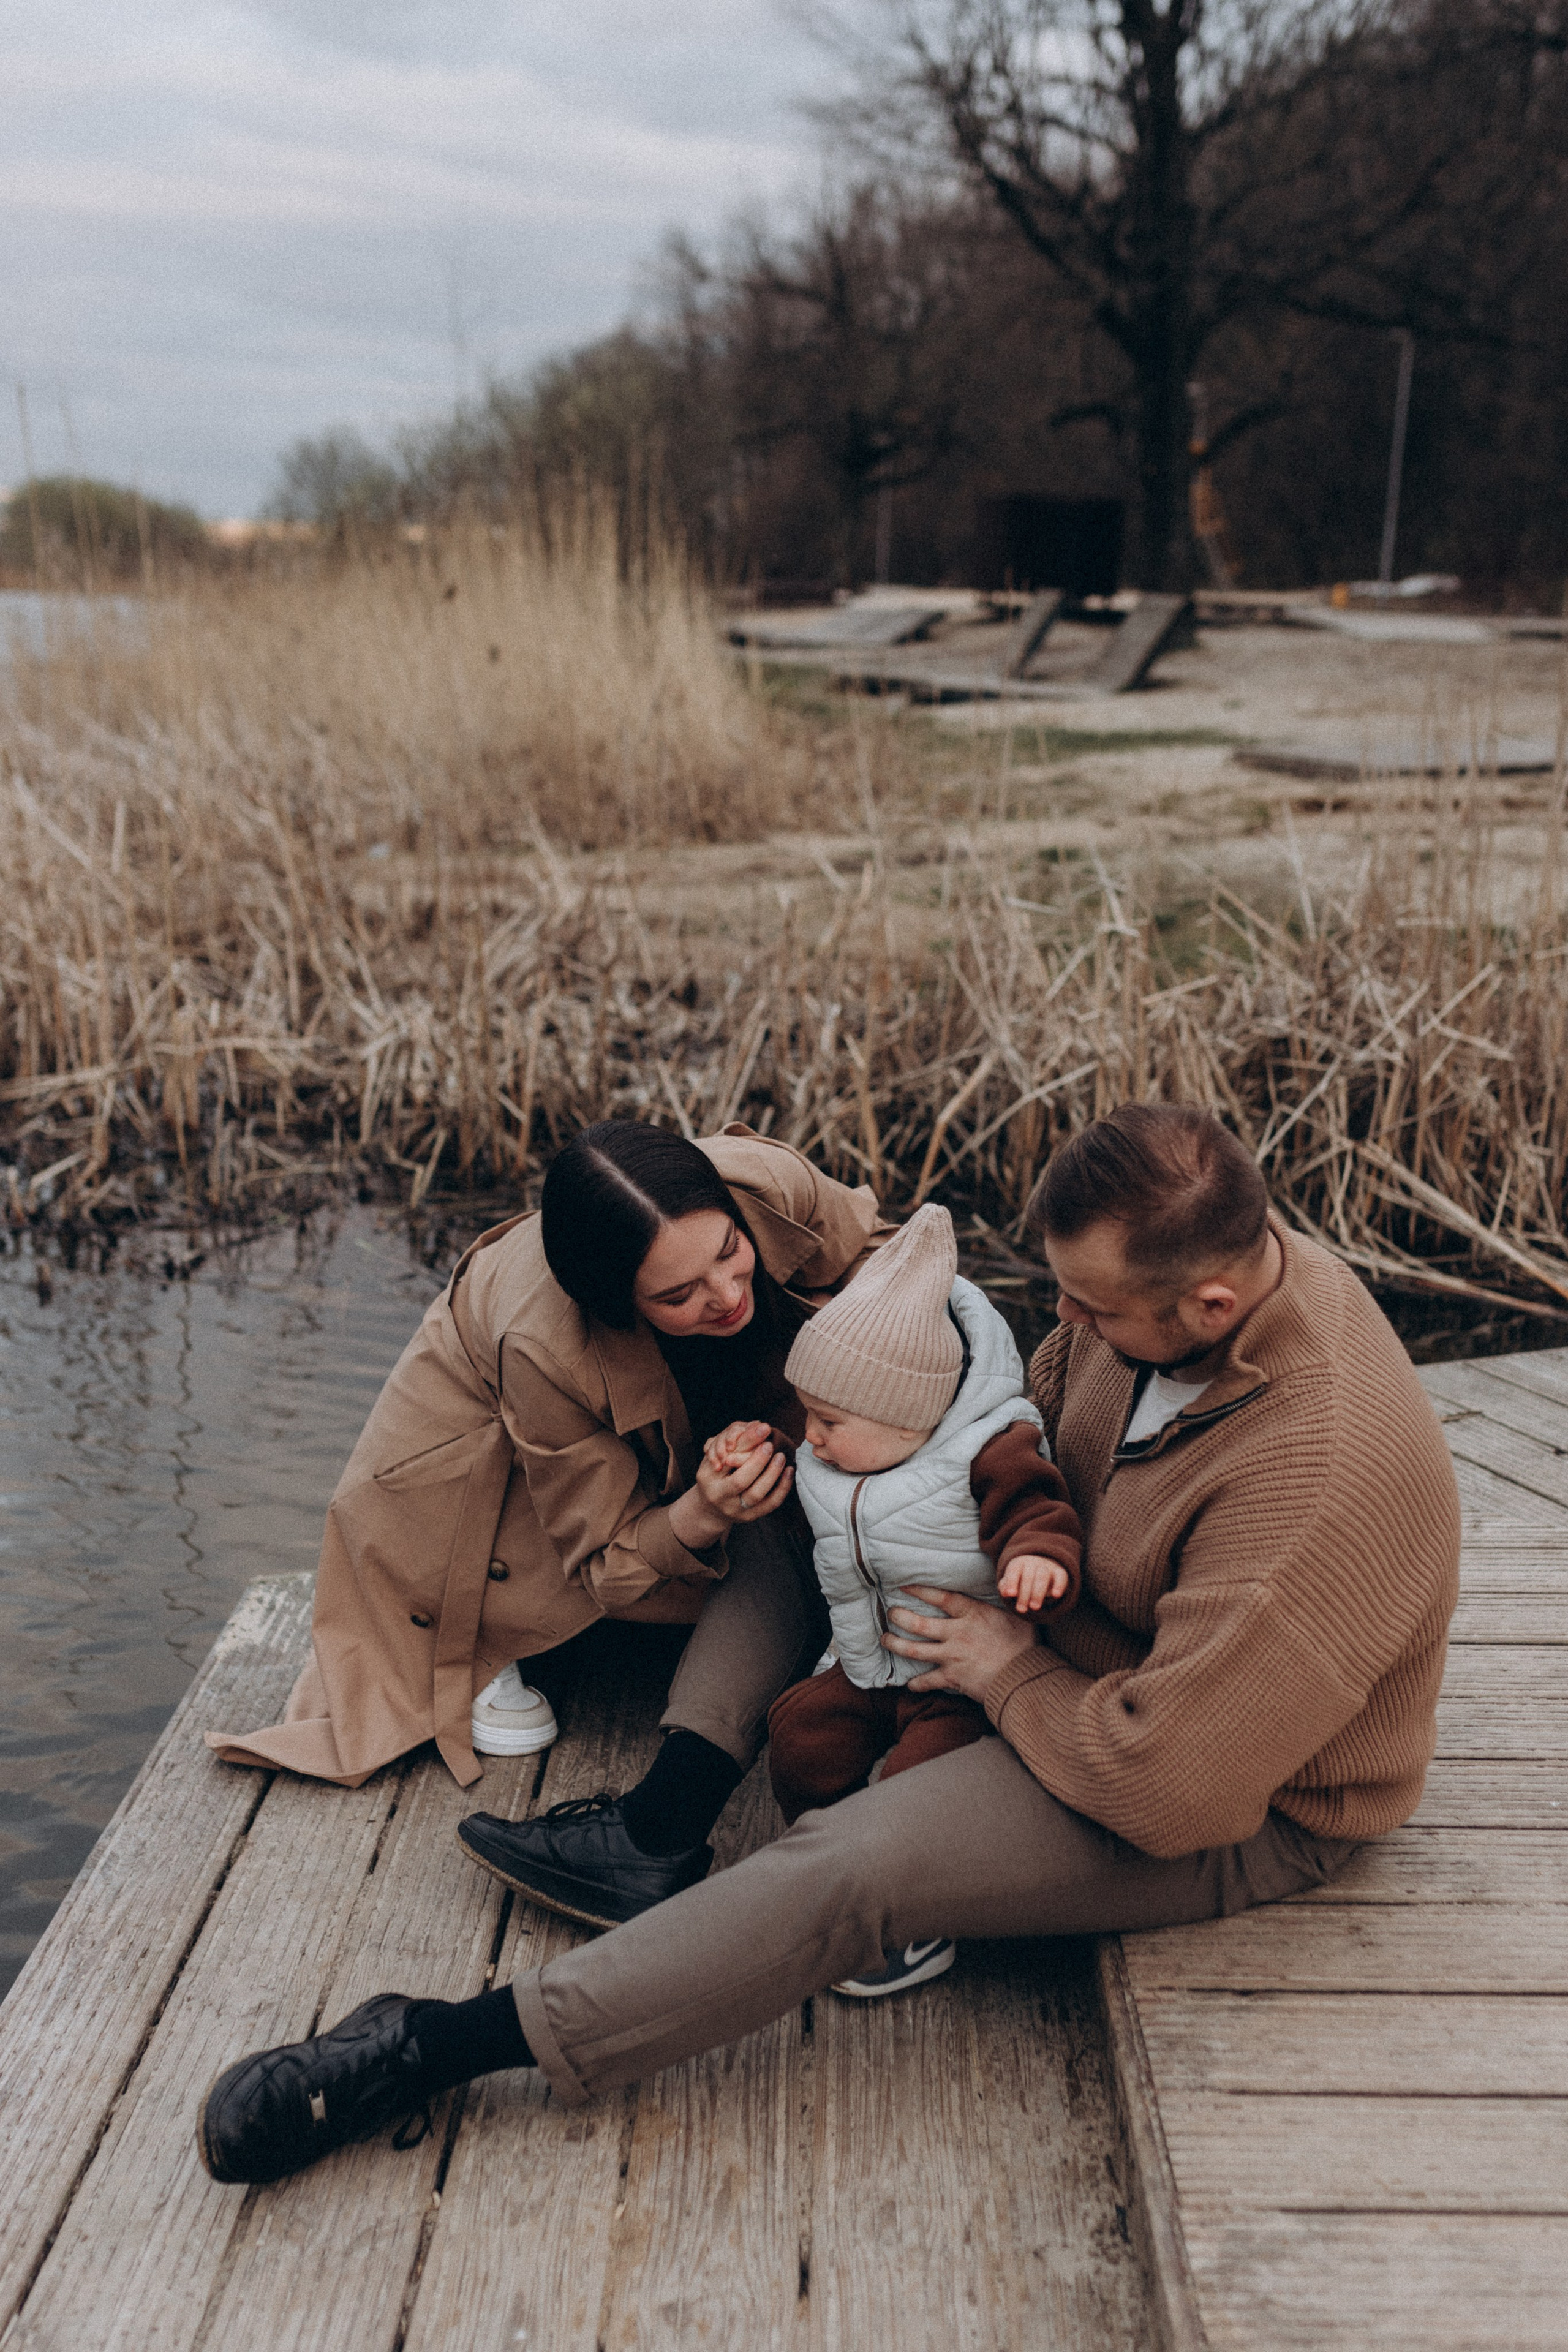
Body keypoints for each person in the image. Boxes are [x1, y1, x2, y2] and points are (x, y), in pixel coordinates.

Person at [197, 1102, 1462, 2189]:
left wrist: (1006, 1671)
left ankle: (433, 2045)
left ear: (1211, 1303)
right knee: (816, 1504)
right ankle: (659, 1827)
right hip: (1072, 1630)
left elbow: (1173, 1783)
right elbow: (1030, 1407)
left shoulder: (1318, 1473)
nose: (1063, 1319)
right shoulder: (1171, 1289)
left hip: (1214, 1785)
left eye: (1087, 1306)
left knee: (848, 1866)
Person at [207, 1121, 888, 1904]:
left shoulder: (763, 1182)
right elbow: (606, 1559)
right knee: (777, 1507)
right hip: (510, 1503)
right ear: (614, 1303)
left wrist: (854, 1369)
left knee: (821, 1473)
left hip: (704, 1428)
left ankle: (656, 1832)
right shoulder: (543, 1344)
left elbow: (898, 1264)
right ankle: (657, 1821)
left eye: (730, 1252)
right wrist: (706, 1508)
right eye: (677, 1294)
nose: (729, 1296)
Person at [761, 1202, 1080, 1997]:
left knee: (917, 1789)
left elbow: (1038, 1511)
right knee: (800, 1736)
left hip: (957, 1677)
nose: (811, 1436)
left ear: (908, 1417)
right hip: (867, 1657)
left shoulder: (990, 1448)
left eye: (827, 1420)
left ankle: (918, 1916)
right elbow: (825, 1517)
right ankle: (828, 1859)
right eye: (806, 1414)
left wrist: (1038, 1562)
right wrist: (756, 1461)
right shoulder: (837, 1453)